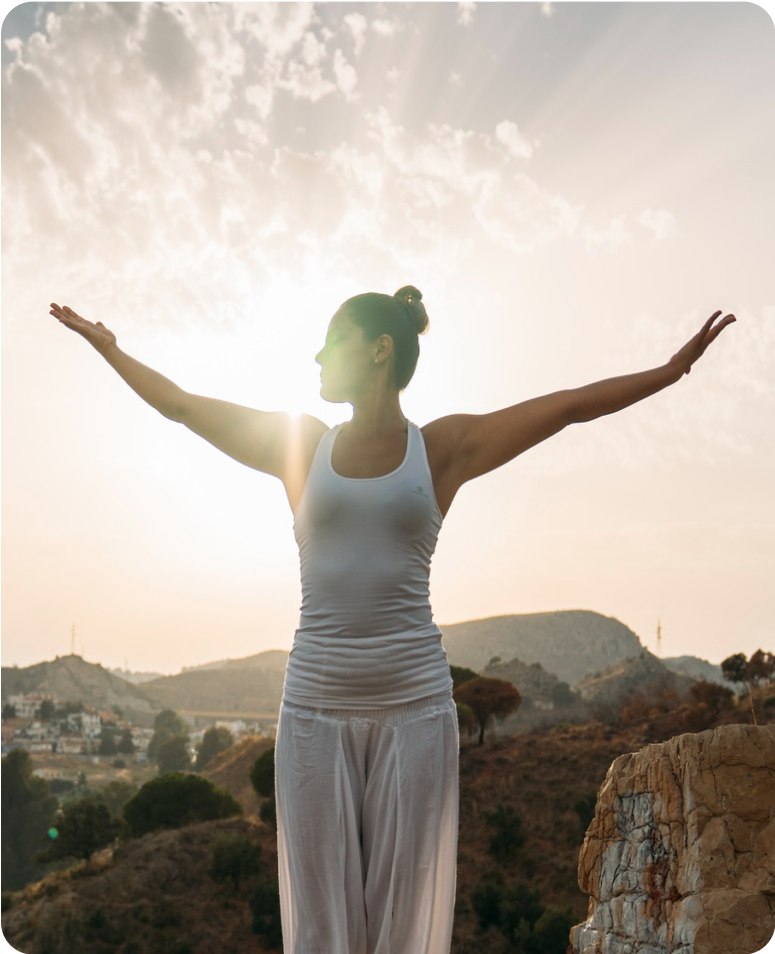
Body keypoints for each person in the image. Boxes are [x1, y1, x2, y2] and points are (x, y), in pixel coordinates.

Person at [49, 290, 735, 953]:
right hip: (314, 709)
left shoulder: (440, 448)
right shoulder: (300, 446)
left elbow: (566, 408)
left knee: (403, 922)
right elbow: (181, 407)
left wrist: (670, 371)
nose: (316, 358)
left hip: (414, 709)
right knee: (322, 926)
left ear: (380, 349)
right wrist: (111, 349)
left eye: (332, 341)